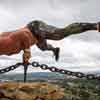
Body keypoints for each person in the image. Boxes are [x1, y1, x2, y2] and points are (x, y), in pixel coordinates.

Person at [0, 20, 100, 63]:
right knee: (43, 48)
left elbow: (23, 34)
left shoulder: (2, 44)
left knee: (59, 34)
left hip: (35, 28)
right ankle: (55, 50)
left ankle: (96, 25)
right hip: (35, 37)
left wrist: (27, 51)